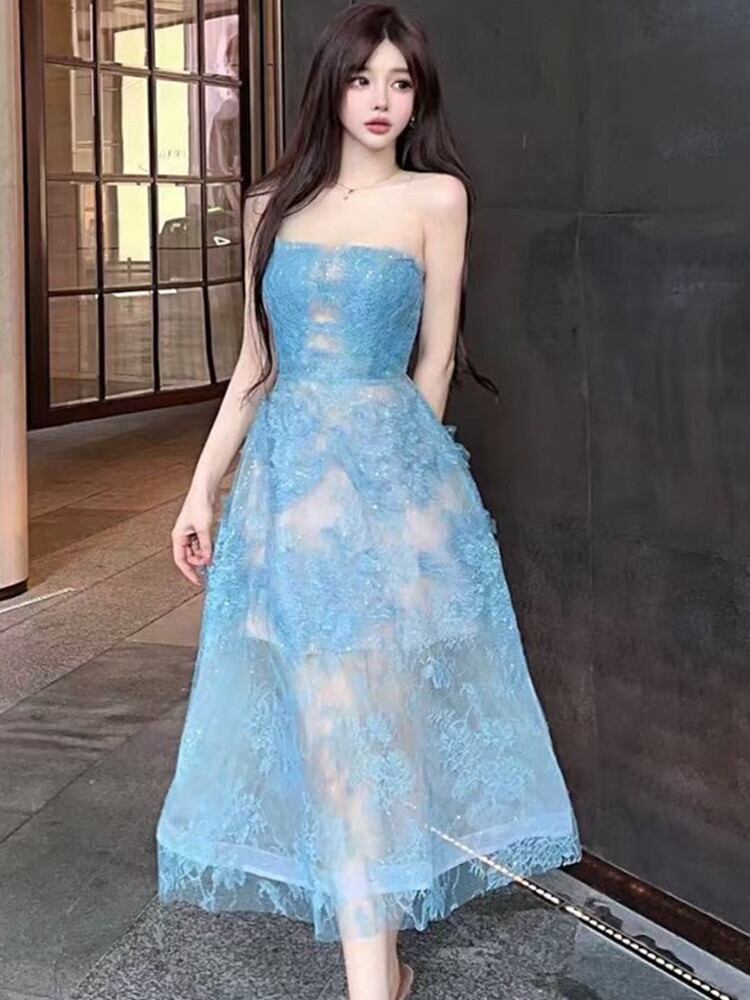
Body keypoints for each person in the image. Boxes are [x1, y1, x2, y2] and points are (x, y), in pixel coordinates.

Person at [155, 6, 583, 1000]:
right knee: (333, 740)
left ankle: (372, 981)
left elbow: (432, 362)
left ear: (418, 96)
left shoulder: (436, 199)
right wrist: (200, 489)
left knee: (371, 737)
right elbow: (255, 367)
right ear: (333, 86)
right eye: (363, 79)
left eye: (400, 82)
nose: (382, 100)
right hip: (288, 509)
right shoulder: (270, 206)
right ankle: (377, 973)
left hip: (391, 502)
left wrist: (398, 496)